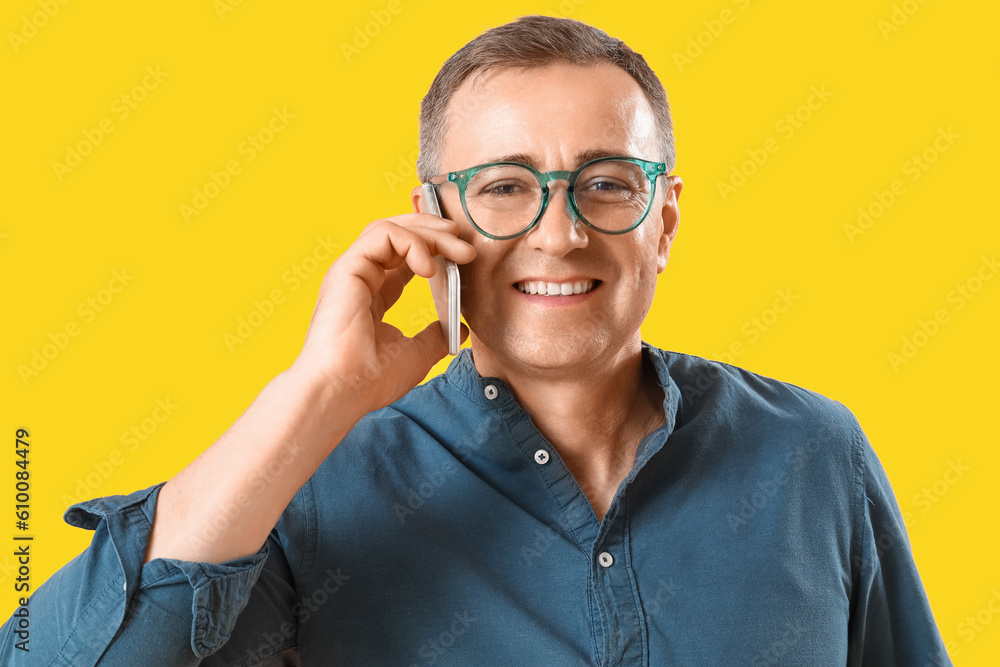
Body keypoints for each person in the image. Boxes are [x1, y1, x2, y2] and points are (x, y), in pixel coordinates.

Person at [3, 15, 951, 666]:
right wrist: (316, 394)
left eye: (609, 182)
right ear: (429, 221)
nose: (559, 231)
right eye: (504, 186)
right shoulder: (318, 487)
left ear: (664, 220)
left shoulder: (813, 454)